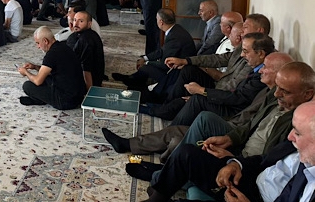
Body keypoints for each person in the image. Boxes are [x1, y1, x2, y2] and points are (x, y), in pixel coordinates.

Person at [102, 52, 297, 162]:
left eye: (266, 68)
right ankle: (129, 144)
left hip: (233, 126)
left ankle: (169, 158)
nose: (261, 70)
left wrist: (203, 92)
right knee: (176, 130)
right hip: (234, 125)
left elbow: (239, 105)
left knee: (199, 113)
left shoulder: (275, 96)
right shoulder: (270, 91)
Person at [138, 99, 315, 202]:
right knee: (186, 153)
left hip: (256, 199)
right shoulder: (297, 149)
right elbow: (264, 160)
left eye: (298, 133)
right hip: (249, 179)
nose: (290, 136)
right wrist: (235, 164)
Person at [166, 32, 273, 126]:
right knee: (189, 72)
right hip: (226, 96)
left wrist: (202, 91)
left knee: (197, 99)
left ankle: (170, 132)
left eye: (245, 51)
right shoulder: (257, 64)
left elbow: (237, 97)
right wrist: (187, 61)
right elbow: (217, 59)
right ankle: (169, 110)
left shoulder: (263, 75)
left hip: (234, 112)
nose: (242, 55)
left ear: (260, 54)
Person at [112, 8, 196, 100]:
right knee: (144, 66)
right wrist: (145, 58)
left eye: (156, 19)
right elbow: (162, 51)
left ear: (161, 22)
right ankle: (132, 79)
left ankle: (135, 83)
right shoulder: (175, 29)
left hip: (175, 74)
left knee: (145, 68)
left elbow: (165, 64)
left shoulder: (175, 37)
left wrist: (146, 63)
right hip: (174, 68)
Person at [17, 26, 86, 109]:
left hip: (65, 101)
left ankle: (40, 100)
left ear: (45, 41)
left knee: (27, 86)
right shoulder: (63, 46)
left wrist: (25, 72)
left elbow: (38, 81)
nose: (38, 47)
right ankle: (41, 99)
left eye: (38, 43)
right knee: (46, 78)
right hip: (78, 96)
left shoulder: (51, 55)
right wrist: (34, 67)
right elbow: (50, 70)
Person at [66, 11, 105, 88]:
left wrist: (89, 91)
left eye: (81, 21)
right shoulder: (88, 34)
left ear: (89, 24)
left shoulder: (86, 40)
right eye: (75, 20)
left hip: (85, 82)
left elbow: (86, 69)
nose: (76, 24)